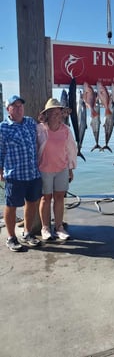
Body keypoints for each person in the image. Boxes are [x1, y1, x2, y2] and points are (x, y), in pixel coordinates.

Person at [0, 95, 42, 251]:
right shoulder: (3, 127)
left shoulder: (31, 122)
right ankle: (11, 237)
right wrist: (0, 172)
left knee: (31, 203)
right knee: (11, 206)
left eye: (20, 106)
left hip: (33, 173)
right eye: (14, 106)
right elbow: (0, 151)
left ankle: (27, 232)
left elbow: (44, 129)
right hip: (14, 175)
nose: (18, 109)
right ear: (8, 109)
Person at [37, 98, 77, 240]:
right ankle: (45, 227)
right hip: (44, 169)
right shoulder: (40, 129)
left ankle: (59, 227)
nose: (57, 115)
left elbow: (71, 150)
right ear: (47, 114)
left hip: (62, 169)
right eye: (53, 112)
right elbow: (34, 149)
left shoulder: (66, 130)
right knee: (45, 198)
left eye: (59, 112)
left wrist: (71, 169)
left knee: (59, 198)